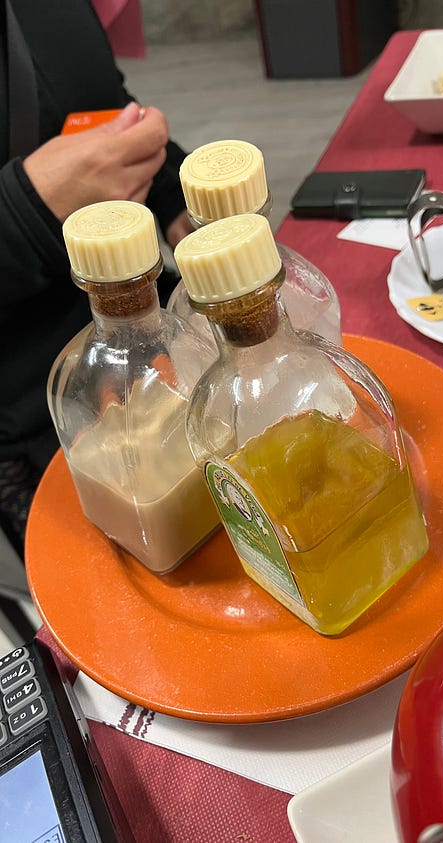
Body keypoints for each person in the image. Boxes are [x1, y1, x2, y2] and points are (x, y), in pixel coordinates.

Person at [0, 0, 195, 553]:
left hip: (156, 336)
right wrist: (24, 212)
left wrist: (172, 193)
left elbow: (97, 107)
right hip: (35, 419)